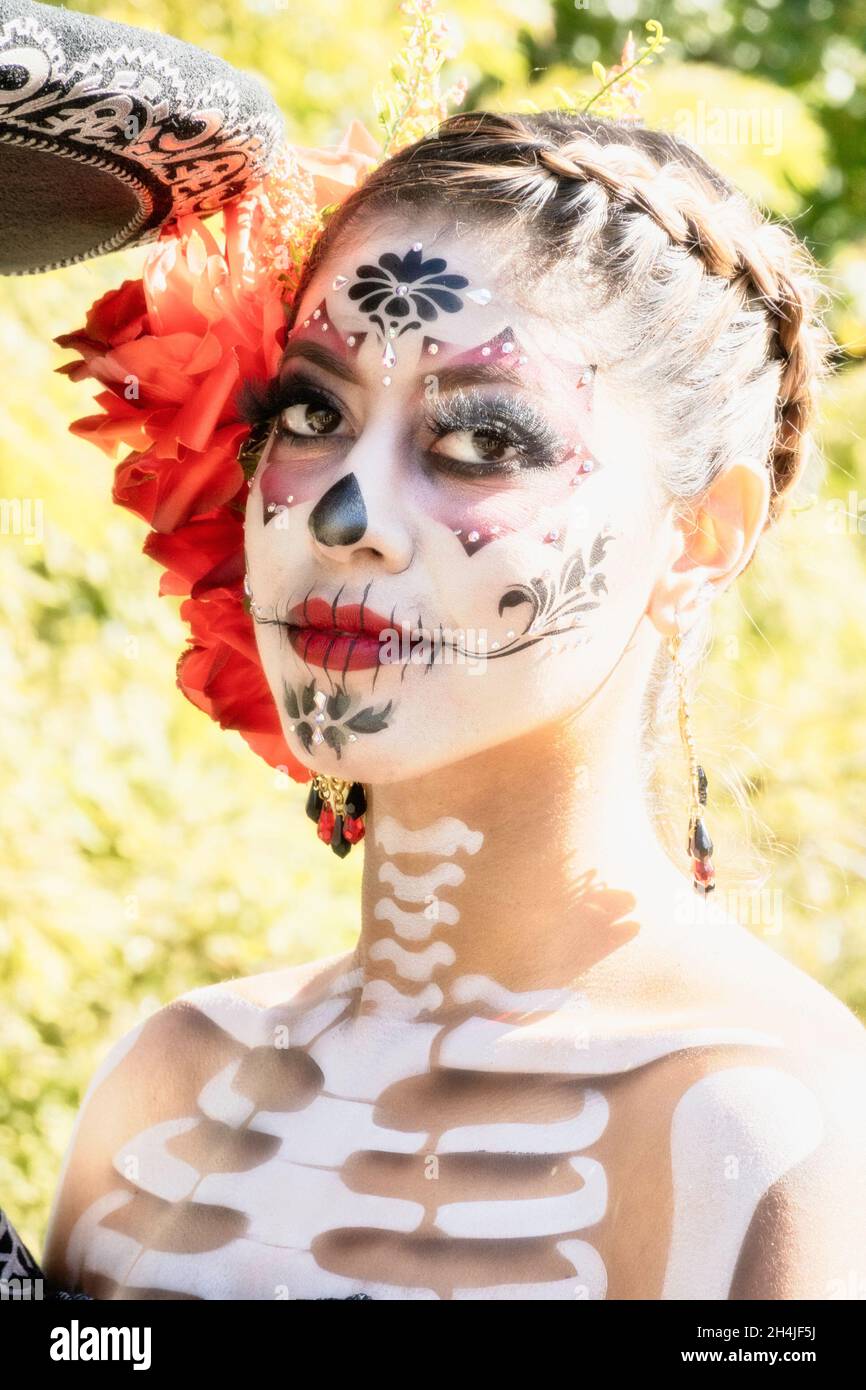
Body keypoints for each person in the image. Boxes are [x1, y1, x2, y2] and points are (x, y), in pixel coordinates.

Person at [3, 1, 865, 1301]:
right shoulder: (167, 1086)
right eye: (310, 409)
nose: (343, 513)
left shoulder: (766, 1122)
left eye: (478, 438)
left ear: (699, 532)